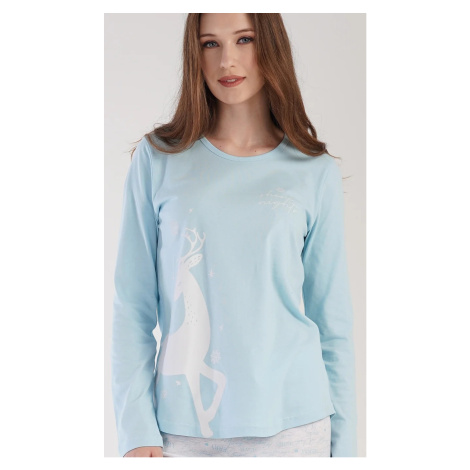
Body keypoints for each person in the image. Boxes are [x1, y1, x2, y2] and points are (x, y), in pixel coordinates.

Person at [111, 13, 358, 458]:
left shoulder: (313, 172)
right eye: (210, 43)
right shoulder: (158, 159)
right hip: (183, 432)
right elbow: (132, 305)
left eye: (244, 39)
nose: (227, 60)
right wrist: (136, 430)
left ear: (271, 46)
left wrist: (347, 450)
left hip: (297, 431)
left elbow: (331, 322)